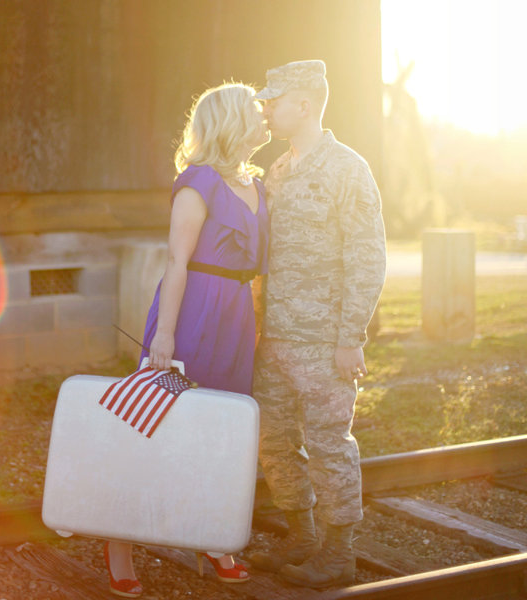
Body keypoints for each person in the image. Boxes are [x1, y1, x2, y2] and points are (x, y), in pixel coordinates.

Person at [103, 81, 270, 597]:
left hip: (237, 318)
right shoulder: (197, 181)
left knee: (221, 431)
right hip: (194, 311)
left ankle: (213, 539)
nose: (266, 118)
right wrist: (167, 335)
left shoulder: (259, 185)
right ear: (234, 121)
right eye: (257, 111)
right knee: (157, 424)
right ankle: (119, 543)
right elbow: (178, 260)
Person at [248, 60, 386, 589]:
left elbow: (368, 258)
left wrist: (351, 338)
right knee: (276, 443)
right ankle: (302, 535)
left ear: (303, 104)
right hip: (276, 339)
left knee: (331, 446)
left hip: (326, 343)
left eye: (273, 100)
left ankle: (339, 553)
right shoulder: (278, 171)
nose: (265, 109)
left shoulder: (348, 168)